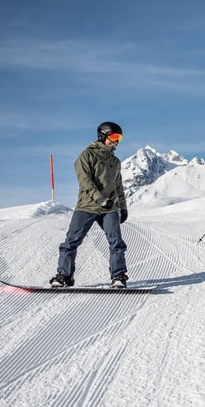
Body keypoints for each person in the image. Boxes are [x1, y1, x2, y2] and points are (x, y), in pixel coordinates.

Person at [50, 121, 130, 288]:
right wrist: (99, 198)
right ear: (103, 135)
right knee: (71, 241)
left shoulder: (115, 162)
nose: (117, 141)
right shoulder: (86, 156)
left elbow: (118, 186)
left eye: (119, 138)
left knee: (116, 242)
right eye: (114, 136)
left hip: (110, 208)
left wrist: (122, 207)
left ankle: (118, 276)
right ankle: (64, 275)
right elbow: (85, 181)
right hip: (87, 206)